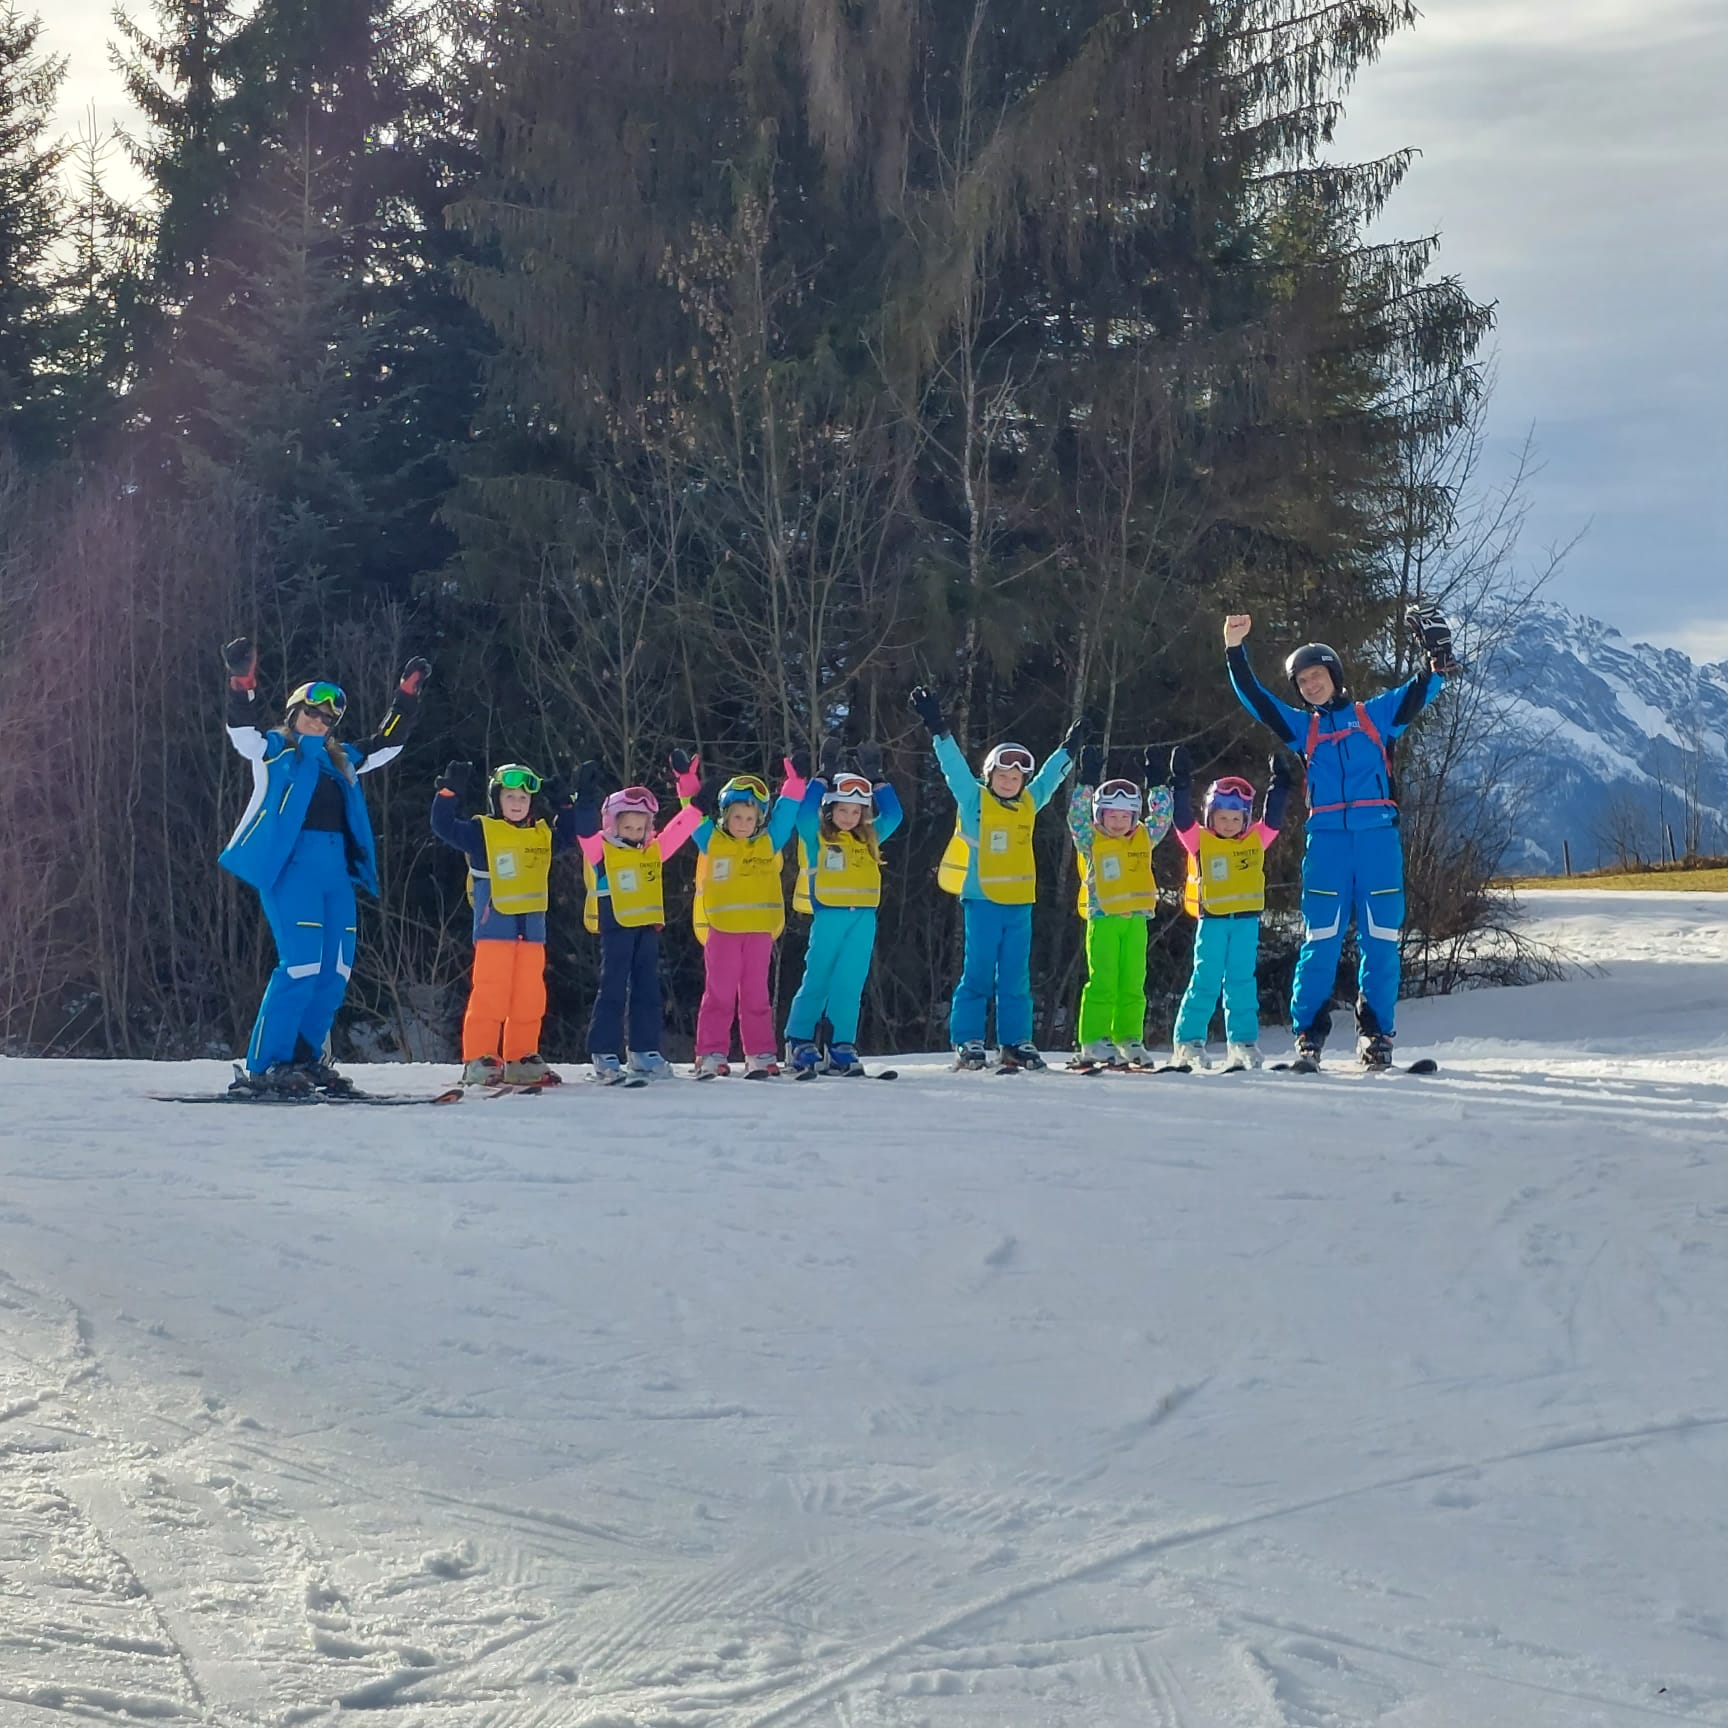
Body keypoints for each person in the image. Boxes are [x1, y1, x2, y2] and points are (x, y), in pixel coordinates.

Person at [1223, 605, 1458, 1068]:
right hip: (1328, 843)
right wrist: (1234, 649)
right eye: (1303, 680)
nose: (1311, 684)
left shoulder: (1375, 716)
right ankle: (1308, 1036)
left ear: (1334, 674)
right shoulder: (1302, 728)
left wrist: (1439, 656)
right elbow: (1255, 697)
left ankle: (1376, 1036)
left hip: (1377, 842)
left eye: (1317, 675)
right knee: (1321, 940)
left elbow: (1427, 685)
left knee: (1381, 938)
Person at [219, 638, 429, 1095]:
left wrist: (406, 699)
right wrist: (242, 682)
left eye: (328, 718)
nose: (319, 722)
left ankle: (304, 1058)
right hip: (291, 870)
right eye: (311, 713)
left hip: (336, 874)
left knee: (334, 971)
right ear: (294, 714)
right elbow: (242, 730)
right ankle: (266, 1065)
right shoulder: (274, 750)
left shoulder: (343, 760)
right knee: (301, 965)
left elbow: (387, 743)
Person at [910, 686, 1083, 1070]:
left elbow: (1051, 778)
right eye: (1002, 774)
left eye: (1017, 775)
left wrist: (1070, 749)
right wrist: (938, 727)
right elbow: (953, 768)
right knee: (978, 972)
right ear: (990, 775)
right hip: (983, 900)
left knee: (1016, 978)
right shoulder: (975, 800)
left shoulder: (1028, 803)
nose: (1009, 781)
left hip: (1019, 903)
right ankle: (968, 1039)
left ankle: (1015, 1041)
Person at [431, 760, 583, 1088]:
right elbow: (443, 826)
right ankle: (480, 1057)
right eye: (510, 797)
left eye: (523, 798)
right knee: (491, 994)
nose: (517, 803)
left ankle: (522, 1057)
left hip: (531, 934)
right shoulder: (481, 832)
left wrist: (565, 804)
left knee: (529, 997)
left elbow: (572, 836)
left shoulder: (540, 835)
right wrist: (448, 792)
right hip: (494, 930)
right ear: (496, 800)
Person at [574, 754, 706, 1083]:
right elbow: (584, 831)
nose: (634, 832)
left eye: (640, 826)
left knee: (648, 991)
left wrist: (697, 806)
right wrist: (585, 799)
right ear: (613, 824)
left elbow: (679, 830)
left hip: (646, 930)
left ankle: (644, 1051)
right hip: (616, 928)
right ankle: (605, 1053)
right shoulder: (603, 852)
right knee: (613, 989)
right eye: (627, 826)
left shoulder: (652, 850)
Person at [783, 740, 903, 1075]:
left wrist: (877, 779)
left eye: (856, 811)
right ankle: (799, 1040)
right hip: (830, 916)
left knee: (849, 983)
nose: (849, 817)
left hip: (863, 918)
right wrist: (822, 776)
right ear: (830, 810)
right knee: (818, 978)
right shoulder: (818, 836)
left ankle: (840, 1046)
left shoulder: (870, 837)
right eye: (842, 810)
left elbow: (894, 814)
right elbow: (804, 812)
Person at [1167, 749, 1292, 1071]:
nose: (1228, 824)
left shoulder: (1255, 840)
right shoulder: (1200, 842)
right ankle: (1189, 1041)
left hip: (1245, 923)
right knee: (1206, 980)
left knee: (1241, 983)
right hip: (1213, 922)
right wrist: (1180, 784)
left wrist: (1280, 783)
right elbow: (1181, 818)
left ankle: (1242, 1042)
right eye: (1222, 817)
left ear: (1245, 820)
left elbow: (1274, 818)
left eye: (1236, 819)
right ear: (1211, 817)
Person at [688, 758, 807, 1077]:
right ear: (725, 817)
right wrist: (687, 782)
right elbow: (693, 817)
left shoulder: (768, 843)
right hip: (723, 932)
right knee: (719, 994)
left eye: (749, 818)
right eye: (736, 816)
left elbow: (785, 815)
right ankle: (711, 1052)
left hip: (758, 934)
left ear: (759, 821)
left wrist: (796, 782)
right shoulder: (712, 841)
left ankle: (760, 1052)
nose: (742, 823)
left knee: (756, 995)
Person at [1065, 746, 1174, 1068]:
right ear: (1100, 816)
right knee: (1104, 980)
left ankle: (1129, 1038)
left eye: (1124, 816)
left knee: (1133, 982)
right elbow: (1075, 817)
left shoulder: (1142, 836)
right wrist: (1086, 780)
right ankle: (1093, 1040)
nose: (1118, 822)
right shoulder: (1090, 839)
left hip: (1136, 921)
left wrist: (1157, 783)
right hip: (1105, 920)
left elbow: (1163, 817)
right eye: (1111, 815)